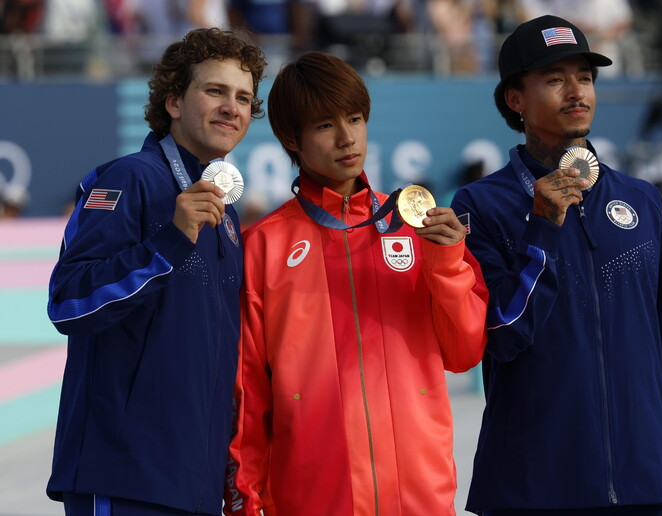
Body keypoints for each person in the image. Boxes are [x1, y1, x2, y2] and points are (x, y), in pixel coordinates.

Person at [451, 15, 662, 516]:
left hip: (647, 485)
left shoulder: (640, 200)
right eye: (555, 78)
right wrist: (542, 229)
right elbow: (500, 333)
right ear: (515, 99)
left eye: (583, 76)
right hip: (533, 490)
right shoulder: (480, 205)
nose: (575, 91)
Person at [223, 51, 489, 516]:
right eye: (325, 126)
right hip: (314, 500)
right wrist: (245, 498)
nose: (347, 138)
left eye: (355, 118)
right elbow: (246, 395)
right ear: (293, 140)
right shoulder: (262, 248)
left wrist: (446, 262)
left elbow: (465, 352)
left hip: (421, 497)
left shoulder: (415, 225)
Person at [45, 27, 266, 516]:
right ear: (173, 102)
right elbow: (68, 301)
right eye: (214, 91)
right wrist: (168, 239)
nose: (232, 107)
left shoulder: (223, 211)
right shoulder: (130, 178)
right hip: (126, 476)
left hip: (195, 482)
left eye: (244, 98)